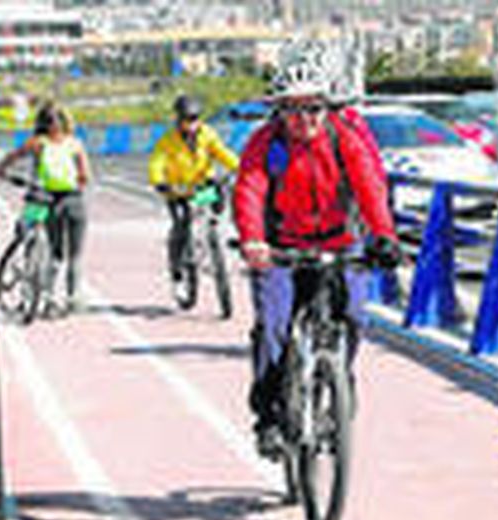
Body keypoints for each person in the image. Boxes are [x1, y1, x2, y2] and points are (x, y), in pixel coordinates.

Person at [233, 41, 401, 459]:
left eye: (313, 108)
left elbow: (369, 188)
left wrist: (384, 236)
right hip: (281, 249)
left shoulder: (344, 139)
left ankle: (338, 381)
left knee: (356, 315)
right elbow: (249, 190)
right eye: (293, 109)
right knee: (273, 325)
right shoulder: (265, 143)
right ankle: (269, 417)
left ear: (327, 108)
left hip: (340, 243)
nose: (303, 119)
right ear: (279, 111)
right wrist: (253, 239)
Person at [0, 101, 92, 310]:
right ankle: (69, 296)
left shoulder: (39, 142)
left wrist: (2, 171)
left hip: (46, 196)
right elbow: (85, 174)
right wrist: (79, 181)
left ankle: (50, 295)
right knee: (70, 253)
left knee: (57, 250)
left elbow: (12, 156)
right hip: (68, 197)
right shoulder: (72, 143)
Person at [149, 95, 239, 307]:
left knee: (220, 196)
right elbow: (157, 161)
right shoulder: (168, 141)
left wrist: (240, 166)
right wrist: (159, 181)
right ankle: (178, 273)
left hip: (201, 188)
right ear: (178, 119)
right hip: (178, 191)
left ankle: (215, 238)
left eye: (195, 118)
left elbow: (222, 153)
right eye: (186, 119)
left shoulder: (207, 135)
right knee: (181, 225)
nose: (191, 123)